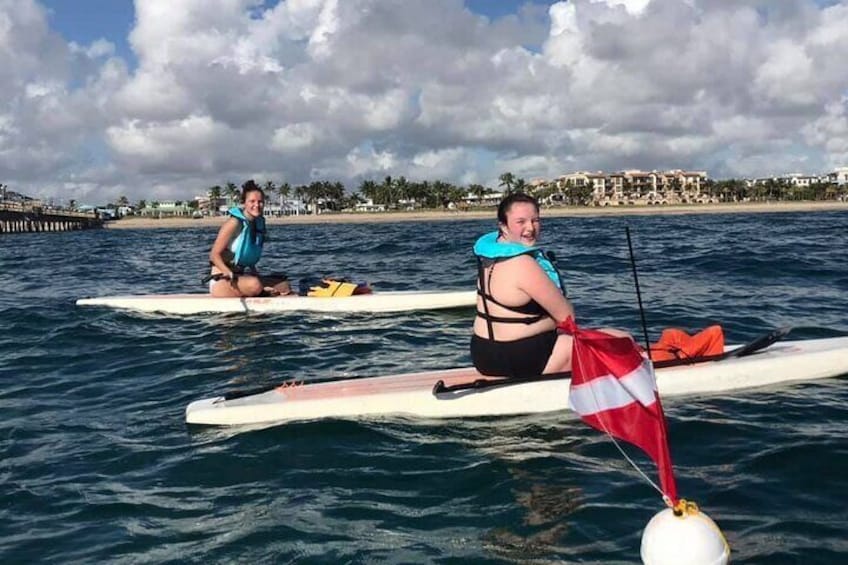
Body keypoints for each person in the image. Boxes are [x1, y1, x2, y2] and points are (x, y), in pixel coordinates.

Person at [471, 192, 627, 377]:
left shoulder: (487, 259)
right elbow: (567, 317)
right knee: (622, 340)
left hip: (482, 355)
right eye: (520, 222)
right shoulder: (523, 263)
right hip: (516, 358)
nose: (530, 228)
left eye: (535, 220)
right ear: (503, 226)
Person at [208, 180, 292, 297]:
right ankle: (262, 292)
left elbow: (247, 253)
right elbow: (214, 255)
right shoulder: (234, 223)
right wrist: (227, 271)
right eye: (252, 201)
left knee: (284, 285)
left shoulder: (257, 224)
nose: (256, 205)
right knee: (255, 284)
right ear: (244, 203)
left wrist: (255, 273)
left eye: (260, 202)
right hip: (222, 280)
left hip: (240, 277)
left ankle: (263, 292)